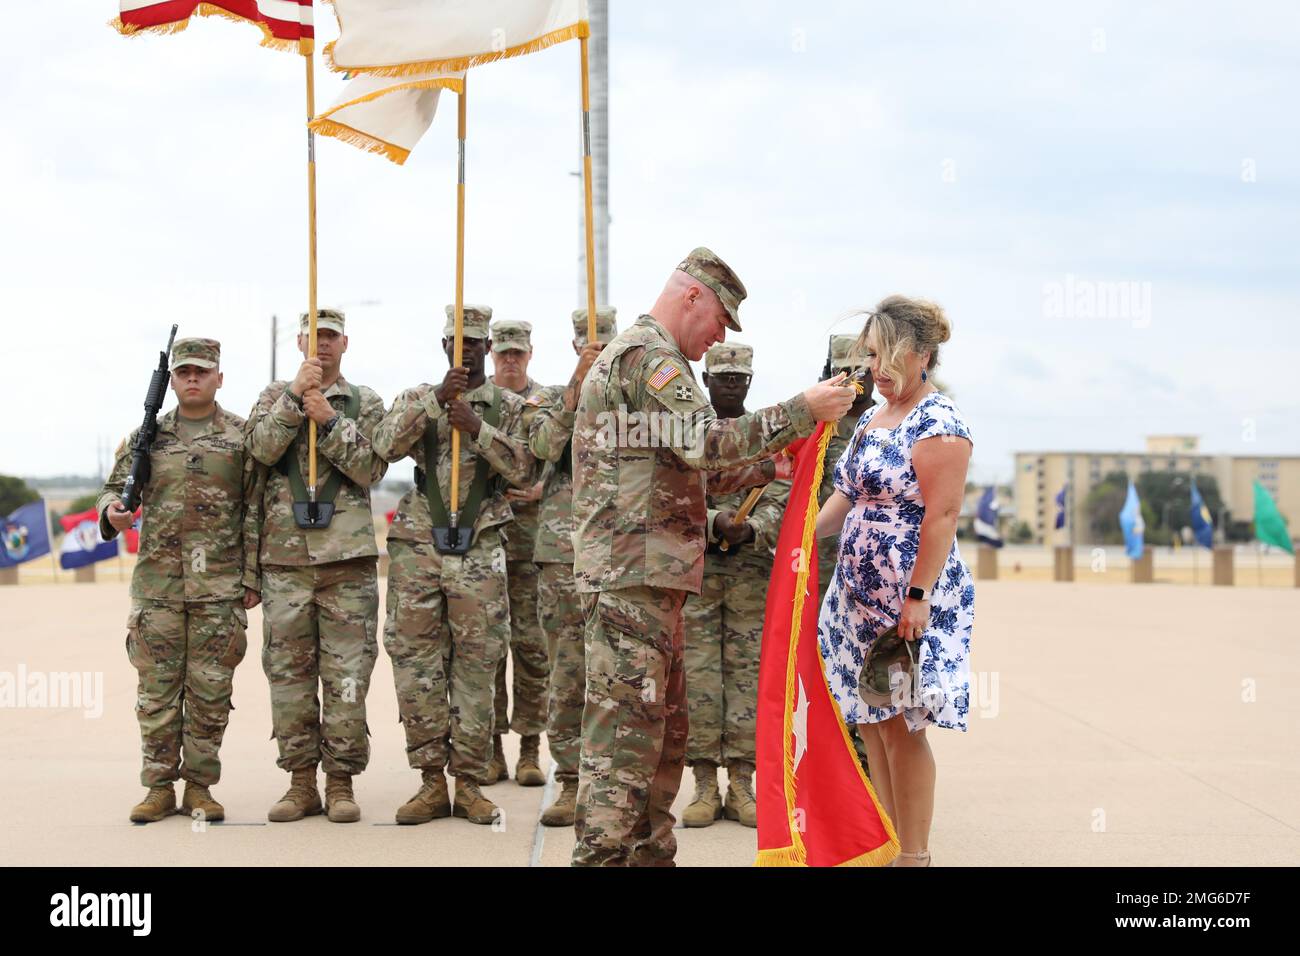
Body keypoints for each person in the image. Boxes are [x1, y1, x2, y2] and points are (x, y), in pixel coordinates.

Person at [568, 247, 857, 866]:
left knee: (659, 739)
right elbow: (700, 442)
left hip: (647, 578)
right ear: (691, 297)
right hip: (632, 578)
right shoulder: (651, 358)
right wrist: (801, 410)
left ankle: (649, 857)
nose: (719, 337)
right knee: (624, 743)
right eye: (720, 321)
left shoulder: (648, 358)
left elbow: (669, 469)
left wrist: (760, 468)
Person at [815, 295, 974, 868]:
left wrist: (917, 596)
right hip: (857, 599)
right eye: (873, 356)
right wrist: (804, 541)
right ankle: (883, 843)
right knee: (873, 724)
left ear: (923, 356)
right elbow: (846, 497)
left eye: (890, 357)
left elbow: (942, 516)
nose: (878, 369)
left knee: (905, 729)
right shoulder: (873, 418)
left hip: (908, 596)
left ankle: (914, 855)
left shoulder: (939, 423)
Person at [374, 305, 536, 826]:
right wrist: (435, 402)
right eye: (455, 344)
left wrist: (479, 429)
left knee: (478, 663)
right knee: (416, 664)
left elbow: (527, 467)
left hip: (481, 545)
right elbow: (383, 446)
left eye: (473, 344)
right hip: (419, 543)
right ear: (443, 348)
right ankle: (428, 781)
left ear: (487, 350)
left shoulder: (507, 406)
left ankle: (468, 781)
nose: (464, 352)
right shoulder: (416, 397)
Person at [97, 337, 260, 823]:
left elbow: (256, 509)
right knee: (156, 696)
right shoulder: (148, 436)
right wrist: (114, 513)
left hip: (219, 588)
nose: (193, 378)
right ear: (172, 380)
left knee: (211, 696)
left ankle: (200, 790)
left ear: (219, 378)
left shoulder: (241, 437)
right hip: (158, 589)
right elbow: (111, 490)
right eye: (184, 371)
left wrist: (252, 576)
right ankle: (158, 788)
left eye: (202, 371)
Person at [246, 308, 388, 824]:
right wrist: (292, 401)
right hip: (284, 561)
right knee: (289, 676)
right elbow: (259, 452)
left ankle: (342, 781)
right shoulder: (271, 397)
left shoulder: (364, 401)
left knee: (347, 675)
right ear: (301, 341)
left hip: (346, 562)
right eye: (315, 337)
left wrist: (328, 419)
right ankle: (300, 781)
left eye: (332, 337)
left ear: (345, 343)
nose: (323, 345)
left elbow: (371, 465)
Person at [681, 342, 789, 829]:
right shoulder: (688, 435)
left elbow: (781, 491)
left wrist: (754, 527)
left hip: (749, 574)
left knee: (747, 676)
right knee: (700, 678)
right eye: (721, 375)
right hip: (698, 573)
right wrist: (711, 520)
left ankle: (742, 783)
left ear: (749, 381)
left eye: (738, 377)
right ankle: (704, 784)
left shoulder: (762, 437)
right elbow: (673, 494)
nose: (729, 383)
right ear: (705, 380)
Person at [527, 307, 613, 826]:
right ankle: (570, 782)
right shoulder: (552, 400)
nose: (595, 350)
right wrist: (577, 386)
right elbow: (539, 448)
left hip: (619, 555)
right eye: (586, 343)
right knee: (566, 675)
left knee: (616, 676)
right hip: (563, 553)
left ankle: (609, 784)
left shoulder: (633, 402)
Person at [485, 318, 549, 787]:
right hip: (483, 544)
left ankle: (529, 748)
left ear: (529, 354)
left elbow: (567, 461)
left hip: (532, 545)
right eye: (503, 352)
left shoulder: (544, 404)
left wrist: (543, 488)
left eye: (518, 353)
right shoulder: (476, 403)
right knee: (486, 651)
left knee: (532, 649)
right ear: (491, 353)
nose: (510, 360)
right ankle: (490, 748)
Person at [818, 333, 876, 774]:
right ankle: (832, 770)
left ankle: (869, 771)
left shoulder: (891, 425)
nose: (856, 383)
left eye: (863, 372)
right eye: (847, 373)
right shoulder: (816, 432)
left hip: (875, 582)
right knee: (825, 676)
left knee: (874, 676)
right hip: (820, 579)